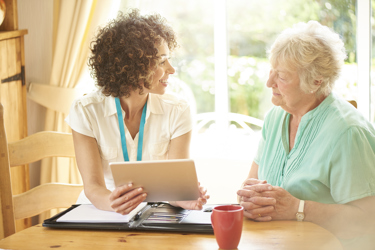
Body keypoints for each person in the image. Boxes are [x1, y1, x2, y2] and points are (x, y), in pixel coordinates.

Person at [237, 20, 375, 249]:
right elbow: (251, 183)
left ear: (315, 82)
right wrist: (249, 198)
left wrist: (298, 209)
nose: (269, 82)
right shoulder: (275, 117)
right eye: (271, 71)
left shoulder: (348, 132)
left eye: (281, 76)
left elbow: (368, 221)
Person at [66, 9, 209, 215]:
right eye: (162, 61)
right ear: (133, 66)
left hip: (155, 214)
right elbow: (93, 186)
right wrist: (112, 202)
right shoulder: (85, 111)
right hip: (101, 212)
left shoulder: (178, 111)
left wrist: (183, 198)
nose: (171, 69)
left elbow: (175, 187)